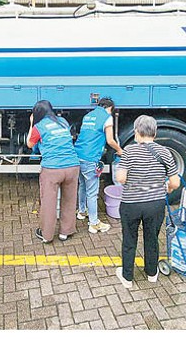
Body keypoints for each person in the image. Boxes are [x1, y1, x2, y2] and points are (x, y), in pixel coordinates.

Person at [114, 115, 180, 289]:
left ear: (136, 131)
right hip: (155, 204)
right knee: (152, 238)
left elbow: (120, 178)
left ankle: (127, 277)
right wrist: (167, 189)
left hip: (131, 204)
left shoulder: (129, 151)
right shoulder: (165, 152)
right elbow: (175, 182)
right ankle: (152, 273)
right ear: (155, 132)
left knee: (129, 239)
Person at [27, 100, 80, 243]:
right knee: (69, 200)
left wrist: (32, 123)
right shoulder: (63, 121)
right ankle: (65, 232)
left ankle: (47, 235)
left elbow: (30, 144)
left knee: (48, 202)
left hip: (52, 168)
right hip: (73, 166)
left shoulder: (39, 126)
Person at [74, 97, 123, 233]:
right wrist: (119, 150)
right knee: (92, 192)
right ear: (110, 108)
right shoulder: (107, 117)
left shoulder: (88, 116)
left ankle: (82, 211)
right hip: (90, 158)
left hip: (78, 155)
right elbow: (110, 140)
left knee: (82, 185)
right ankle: (94, 223)